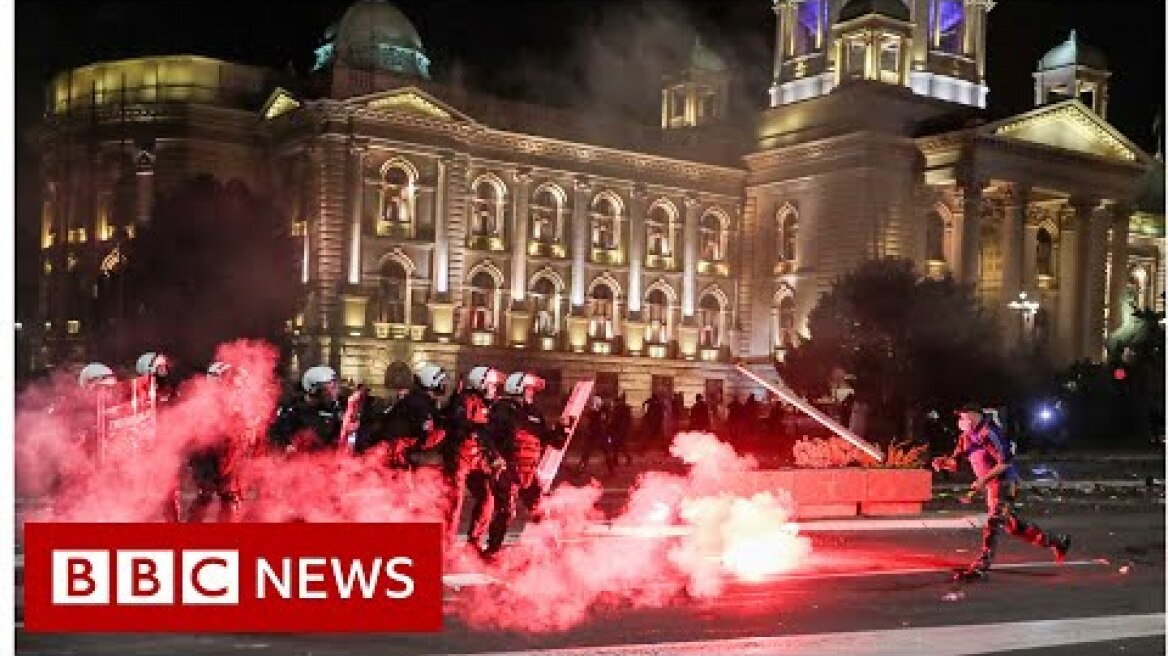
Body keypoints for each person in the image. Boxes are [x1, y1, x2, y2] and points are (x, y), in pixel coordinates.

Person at [934, 404, 1072, 582]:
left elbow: (1005, 463)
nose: (961, 421)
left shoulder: (990, 433)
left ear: (975, 415)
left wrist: (983, 479)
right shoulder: (965, 437)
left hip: (1005, 483)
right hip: (991, 486)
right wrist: (943, 462)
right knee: (1013, 526)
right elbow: (956, 462)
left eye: (964, 416)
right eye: (960, 417)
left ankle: (981, 567)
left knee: (993, 521)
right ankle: (1057, 541)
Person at [483, 371, 567, 557]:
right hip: (507, 469)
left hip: (529, 470)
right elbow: (486, 435)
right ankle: (492, 550)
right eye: (529, 390)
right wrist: (494, 457)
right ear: (518, 389)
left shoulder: (534, 413)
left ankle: (551, 547)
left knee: (540, 507)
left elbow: (550, 440)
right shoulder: (502, 410)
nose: (532, 393)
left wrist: (562, 429)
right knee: (505, 511)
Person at [442, 366, 505, 551]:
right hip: (459, 455)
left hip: (478, 457)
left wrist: (495, 455)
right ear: (481, 383)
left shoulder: (490, 405)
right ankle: (446, 543)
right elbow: (459, 422)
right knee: (455, 501)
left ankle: (474, 542)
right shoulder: (464, 399)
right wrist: (475, 428)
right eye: (492, 385)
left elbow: (490, 434)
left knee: (488, 496)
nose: (494, 389)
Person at [185, 361, 253, 523]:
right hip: (206, 456)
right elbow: (194, 436)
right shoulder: (202, 404)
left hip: (229, 455)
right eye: (226, 380)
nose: (231, 385)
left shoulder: (235, 403)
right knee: (206, 495)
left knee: (229, 496)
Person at [358, 363, 448, 469]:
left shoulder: (423, 401)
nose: (445, 383)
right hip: (392, 455)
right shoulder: (418, 403)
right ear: (432, 383)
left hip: (397, 452)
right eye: (442, 381)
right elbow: (423, 434)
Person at [270, 365, 344, 453]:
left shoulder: (333, 408)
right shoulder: (293, 410)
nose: (334, 392)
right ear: (315, 390)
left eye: (335, 387)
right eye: (329, 388)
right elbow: (277, 436)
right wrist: (287, 447)